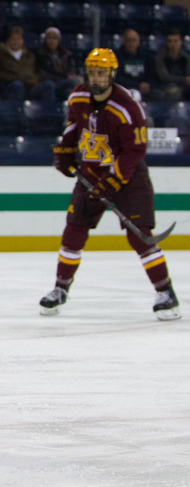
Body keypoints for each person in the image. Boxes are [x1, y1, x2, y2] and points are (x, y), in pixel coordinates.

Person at [43, 49, 180, 322]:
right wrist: (65, 151)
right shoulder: (78, 96)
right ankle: (60, 289)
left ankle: (166, 292)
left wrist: (113, 181)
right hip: (91, 174)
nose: (96, 78)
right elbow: (74, 127)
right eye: (92, 72)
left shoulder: (127, 106)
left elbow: (135, 151)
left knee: (139, 234)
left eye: (101, 73)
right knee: (73, 232)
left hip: (129, 179)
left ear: (111, 74)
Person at [0, 25, 54, 102]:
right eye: (13, 39)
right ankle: (16, 112)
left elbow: (37, 72)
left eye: (18, 39)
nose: (15, 42)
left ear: (22, 41)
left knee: (48, 85)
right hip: (10, 87)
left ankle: (47, 111)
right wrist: (15, 78)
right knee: (17, 85)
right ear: (8, 40)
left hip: (31, 87)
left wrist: (33, 80)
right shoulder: (0, 55)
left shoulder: (30, 55)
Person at [34, 27, 80, 102]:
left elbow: (71, 70)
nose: (52, 41)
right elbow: (43, 73)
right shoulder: (40, 54)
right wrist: (66, 77)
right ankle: (49, 111)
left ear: (58, 40)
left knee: (69, 90)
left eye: (54, 38)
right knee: (52, 85)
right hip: (46, 83)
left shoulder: (66, 54)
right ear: (45, 40)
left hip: (62, 83)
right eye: (49, 38)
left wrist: (72, 75)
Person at [114, 28, 154, 102]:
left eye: (134, 40)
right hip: (125, 89)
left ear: (138, 42)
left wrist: (148, 84)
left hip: (144, 89)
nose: (131, 43)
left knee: (158, 94)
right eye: (128, 40)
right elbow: (118, 78)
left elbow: (152, 74)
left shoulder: (145, 55)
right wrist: (137, 85)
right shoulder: (117, 56)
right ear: (124, 42)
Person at [154, 27, 190, 103]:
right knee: (172, 90)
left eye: (176, 41)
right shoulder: (160, 57)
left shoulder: (186, 57)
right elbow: (164, 78)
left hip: (183, 86)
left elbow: (188, 75)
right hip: (165, 87)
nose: (173, 44)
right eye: (170, 41)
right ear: (167, 43)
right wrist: (184, 79)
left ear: (181, 42)